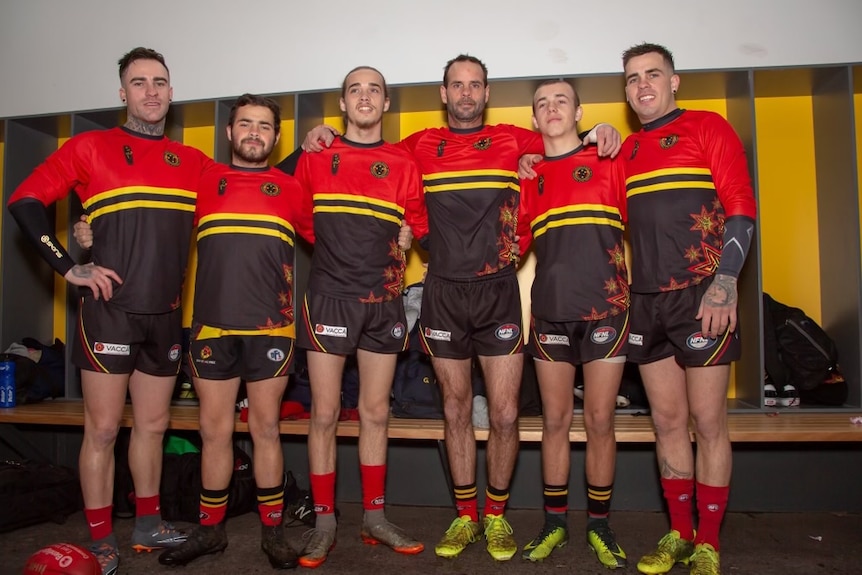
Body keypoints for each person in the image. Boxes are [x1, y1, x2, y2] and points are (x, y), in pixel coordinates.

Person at [304, 54, 620, 562]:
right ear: (444, 94)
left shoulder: (514, 140)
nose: (467, 93)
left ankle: (495, 518)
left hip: (498, 291)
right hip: (442, 293)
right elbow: (363, 147)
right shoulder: (417, 147)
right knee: (453, 408)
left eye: (475, 85)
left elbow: (566, 137)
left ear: (486, 93)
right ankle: (465, 515)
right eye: (457, 85)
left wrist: (602, 126)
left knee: (504, 411)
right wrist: (323, 132)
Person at [7, 47, 207, 575]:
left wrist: (306, 147)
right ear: (122, 93)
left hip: (164, 316)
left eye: (159, 82)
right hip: (109, 312)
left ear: (171, 90)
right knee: (101, 431)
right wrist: (69, 265)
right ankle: (100, 538)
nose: (150, 91)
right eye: (138, 82)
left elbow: (256, 188)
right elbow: (25, 201)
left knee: (154, 426)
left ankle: (147, 524)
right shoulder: (89, 146)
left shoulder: (191, 162)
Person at [275, 66, 429, 569]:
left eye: (374, 90)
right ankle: (323, 523)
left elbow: (419, 223)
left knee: (376, 413)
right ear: (343, 103)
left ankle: (375, 518)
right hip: (330, 299)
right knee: (322, 414)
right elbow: (295, 215)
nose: (365, 97)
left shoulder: (403, 161)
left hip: (384, 301)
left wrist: (408, 238)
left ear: (386, 104)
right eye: (355, 90)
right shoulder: (319, 157)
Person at [150, 94, 313, 569]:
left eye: (264, 125)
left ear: (276, 136)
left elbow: (332, 239)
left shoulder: (290, 188)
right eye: (246, 124)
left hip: (272, 328)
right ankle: (211, 532)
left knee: (265, 429)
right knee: (214, 431)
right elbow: (149, 210)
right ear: (229, 132)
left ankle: (273, 533)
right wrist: (87, 226)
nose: (254, 133)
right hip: (211, 329)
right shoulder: (204, 182)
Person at [620, 43, 757, 575]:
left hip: (702, 295)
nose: (643, 84)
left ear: (674, 81)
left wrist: (725, 282)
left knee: (708, 420)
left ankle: (709, 542)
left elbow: (740, 209)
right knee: (669, 421)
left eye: (653, 73)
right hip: (646, 302)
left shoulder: (708, 127)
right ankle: (679, 534)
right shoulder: (626, 150)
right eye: (633, 78)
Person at [517, 79, 630, 568]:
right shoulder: (528, 176)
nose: (551, 108)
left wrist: (608, 131)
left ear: (580, 111)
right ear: (535, 119)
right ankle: (555, 524)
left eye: (561, 100)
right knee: (556, 422)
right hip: (550, 313)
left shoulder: (610, 160)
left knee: (601, 421)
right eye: (542, 104)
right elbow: (512, 242)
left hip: (607, 310)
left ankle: (600, 527)